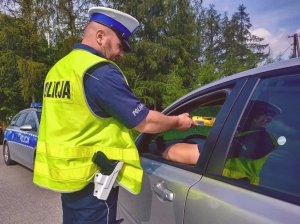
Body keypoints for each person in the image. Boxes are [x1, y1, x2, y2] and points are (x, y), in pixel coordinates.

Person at [33, 7, 194, 224]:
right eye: (120, 45)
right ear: (100, 37)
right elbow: (144, 121)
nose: (121, 54)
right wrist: (177, 121)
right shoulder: (98, 71)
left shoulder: (59, 69)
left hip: (68, 179)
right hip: (94, 182)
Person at [163, 100, 281, 184]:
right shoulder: (267, 137)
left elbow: (172, 152)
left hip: (231, 191)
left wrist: (177, 123)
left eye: (270, 116)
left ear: (245, 115)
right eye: (263, 114)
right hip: (240, 189)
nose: (269, 119)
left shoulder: (255, 140)